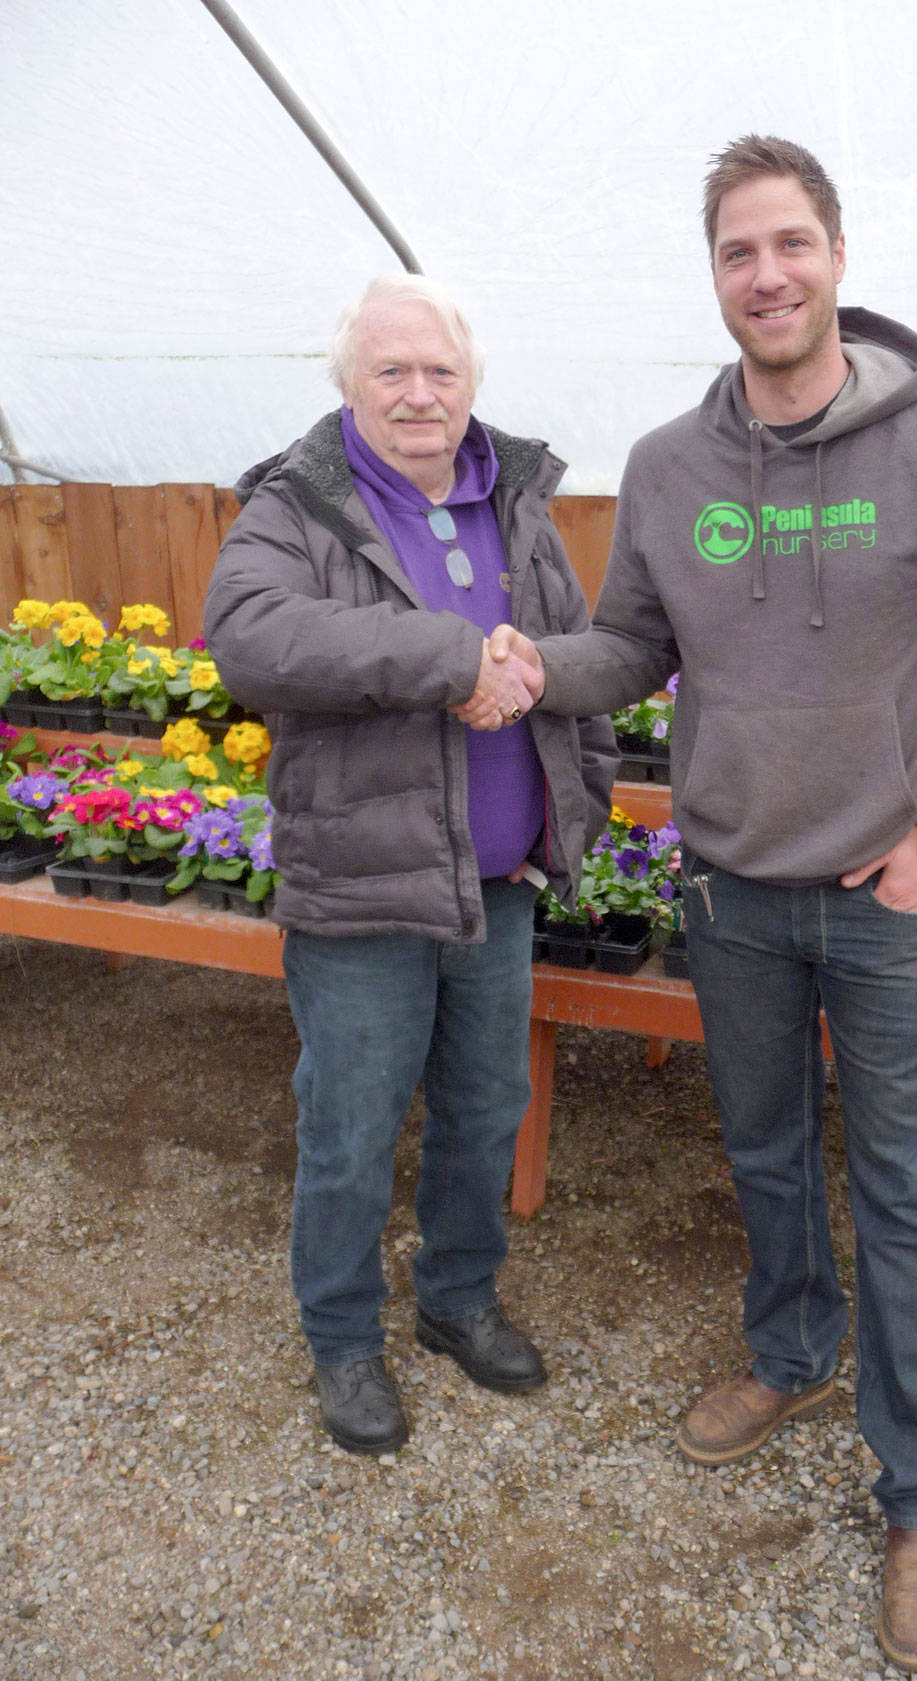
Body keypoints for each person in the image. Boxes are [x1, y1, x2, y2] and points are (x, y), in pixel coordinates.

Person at [468, 137, 917, 1672]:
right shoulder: (672, 465)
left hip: (887, 901)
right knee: (766, 1149)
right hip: (734, 888)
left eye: (791, 242)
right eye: (739, 251)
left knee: (909, 1191)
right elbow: (630, 646)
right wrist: (529, 663)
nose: (768, 273)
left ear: (838, 257)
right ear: (716, 276)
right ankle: (793, 1350)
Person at [203, 275, 616, 1457]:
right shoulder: (299, 505)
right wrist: (449, 657)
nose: (419, 393)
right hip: (364, 888)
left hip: (497, 883)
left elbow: (573, 652)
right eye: (391, 370)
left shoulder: (515, 499)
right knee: (350, 1125)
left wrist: (571, 808)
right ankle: (342, 1338)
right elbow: (251, 638)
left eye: (441, 370)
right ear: (349, 382)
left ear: (471, 381)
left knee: (486, 1109)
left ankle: (456, 1298)